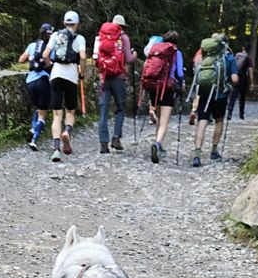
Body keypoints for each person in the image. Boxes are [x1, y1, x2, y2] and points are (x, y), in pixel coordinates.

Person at [42, 11, 86, 162]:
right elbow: (83, 57)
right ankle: (67, 131)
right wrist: (82, 73)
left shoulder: (55, 35)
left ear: (64, 23)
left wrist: (49, 67)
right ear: (77, 24)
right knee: (70, 111)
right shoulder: (80, 38)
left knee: (56, 114)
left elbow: (45, 55)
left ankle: (55, 149)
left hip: (56, 75)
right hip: (71, 77)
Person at [191, 33, 238, 167]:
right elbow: (235, 79)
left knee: (202, 121)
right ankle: (214, 151)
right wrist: (233, 83)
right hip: (220, 95)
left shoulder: (204, 58)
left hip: (204, 94)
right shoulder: (229, 57)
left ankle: (197, 153)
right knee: (218, 120)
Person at [93, 14, 134, 153]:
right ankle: (116, 138)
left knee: (103, 110)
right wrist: (134, 55)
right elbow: (128, 59)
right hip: (119, 77)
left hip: (104, 77)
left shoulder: (100, 37)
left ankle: (103, 143)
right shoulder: (124, 38)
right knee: (121, 108)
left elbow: (95, 58)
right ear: (122, 26)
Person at [142, 30, 184, 164]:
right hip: (167, 88)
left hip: (154, 86)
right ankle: (158, 143)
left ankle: (158, 143)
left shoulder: (156, 50)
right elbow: (179, 72)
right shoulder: (176, 52)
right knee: (164, 121)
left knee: (159, 118)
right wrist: (181, 84)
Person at [18, 23, 54, 151]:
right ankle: (33, 137)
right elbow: (51, 63)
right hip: (43, 81)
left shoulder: (33, 45)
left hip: (30, 81)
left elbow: (21, 60)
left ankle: (33, 128)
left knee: (38, 108)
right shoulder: (50, 48)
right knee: (43, 113)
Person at [226, 43, 254, 120]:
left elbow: (233, 65)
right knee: (242, 96)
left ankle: (229, 114)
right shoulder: (249, 57)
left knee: (233, 96)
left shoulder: (237, 55)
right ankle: (241, 115)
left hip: (236, 76)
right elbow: (250, 71)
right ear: (249, 49)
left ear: (242, 48)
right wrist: (251, 82)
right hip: (243, 78)